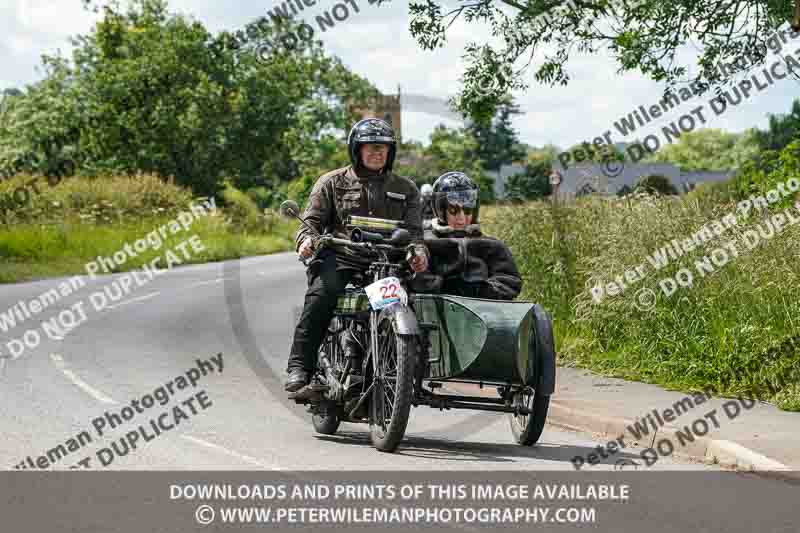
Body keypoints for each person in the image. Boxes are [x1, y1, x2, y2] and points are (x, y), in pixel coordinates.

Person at [285, 118, 429, 393]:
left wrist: (417, 253)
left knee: (411, 303)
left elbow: (414, 235)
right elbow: (311, 223)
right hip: (341, 258)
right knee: (322, 294)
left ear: (391, 152)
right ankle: (299, 366)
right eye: (370, 147)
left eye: (383, 148)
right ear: (357, 149)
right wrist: (306, 242)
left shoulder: (406, 189)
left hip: (387, 262)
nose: (377, 152)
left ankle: (405, 370)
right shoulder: (332, 182)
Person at [413, 171, 522, 300]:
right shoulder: (425, 243)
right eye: (454, 210)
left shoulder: (492, 245)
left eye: (468, 210)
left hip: (484, 313)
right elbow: (414, 277)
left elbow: (510, 280)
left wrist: (481, 291)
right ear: (441, 210)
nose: (462, 218)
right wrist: (442, 286)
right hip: (436, 312)